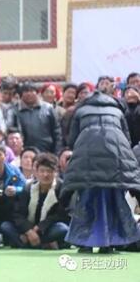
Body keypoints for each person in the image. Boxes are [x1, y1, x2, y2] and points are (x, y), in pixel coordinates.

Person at [62, 90, 140, 254]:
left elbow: (72, 140)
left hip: (86, 161)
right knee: (113, 201)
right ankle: (108, 243)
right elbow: (127, 139)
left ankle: (86, 243)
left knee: (87, 200)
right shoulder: (118, 111)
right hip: (115, 161)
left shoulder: (80, 111)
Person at [1, 153, 70, 249]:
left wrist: (39, 228)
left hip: (47, 229)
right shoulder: (28, 188)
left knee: (62, 229)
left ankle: (27, 244)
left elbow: (60, 215)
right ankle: (42, 244)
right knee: (6, 226)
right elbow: (18, 214)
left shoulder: (61, 189)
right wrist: (29, 231)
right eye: (42, 171)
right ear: (36, 172)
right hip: (28, 228)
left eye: (49, 171)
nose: (45, 175)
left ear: (56, 172)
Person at [14, 82, 62, 154]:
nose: (29, 94)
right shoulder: (16, 110)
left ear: (37, 93)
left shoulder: (48, 108)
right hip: (26, 153)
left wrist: (57, 151)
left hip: (47, 151)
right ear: (21, 95)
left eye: (32, 91)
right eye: (26, 91)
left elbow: (57, 131)